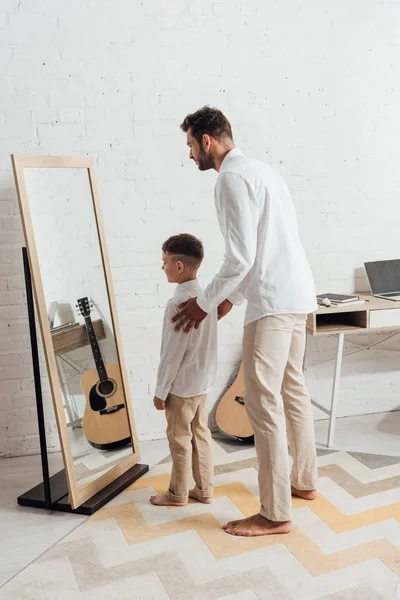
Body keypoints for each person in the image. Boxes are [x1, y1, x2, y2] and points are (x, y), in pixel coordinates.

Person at [173, 106, 318, 536]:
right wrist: (232, 298)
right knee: (293, 388)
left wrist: (206, 301)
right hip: (297, 293)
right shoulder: (263, 171)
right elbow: (265, 244)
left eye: (190, 146)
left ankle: (275, 513)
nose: (190, 156)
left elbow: (241, 256)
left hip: (273, 300)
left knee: (261, 402)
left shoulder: (230, 179)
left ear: (207, 141)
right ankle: (304, 482)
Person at [150, 233, 217, 507]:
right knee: (200, 434)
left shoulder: (178, 304)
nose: (162, 266)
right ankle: (205, 489)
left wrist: (160, 390)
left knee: (179, 439)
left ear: (179, 266)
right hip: (202, 382)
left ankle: (177, 493)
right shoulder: (206, 298)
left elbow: (171, 353)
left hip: (181, 385)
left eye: (164, 261)